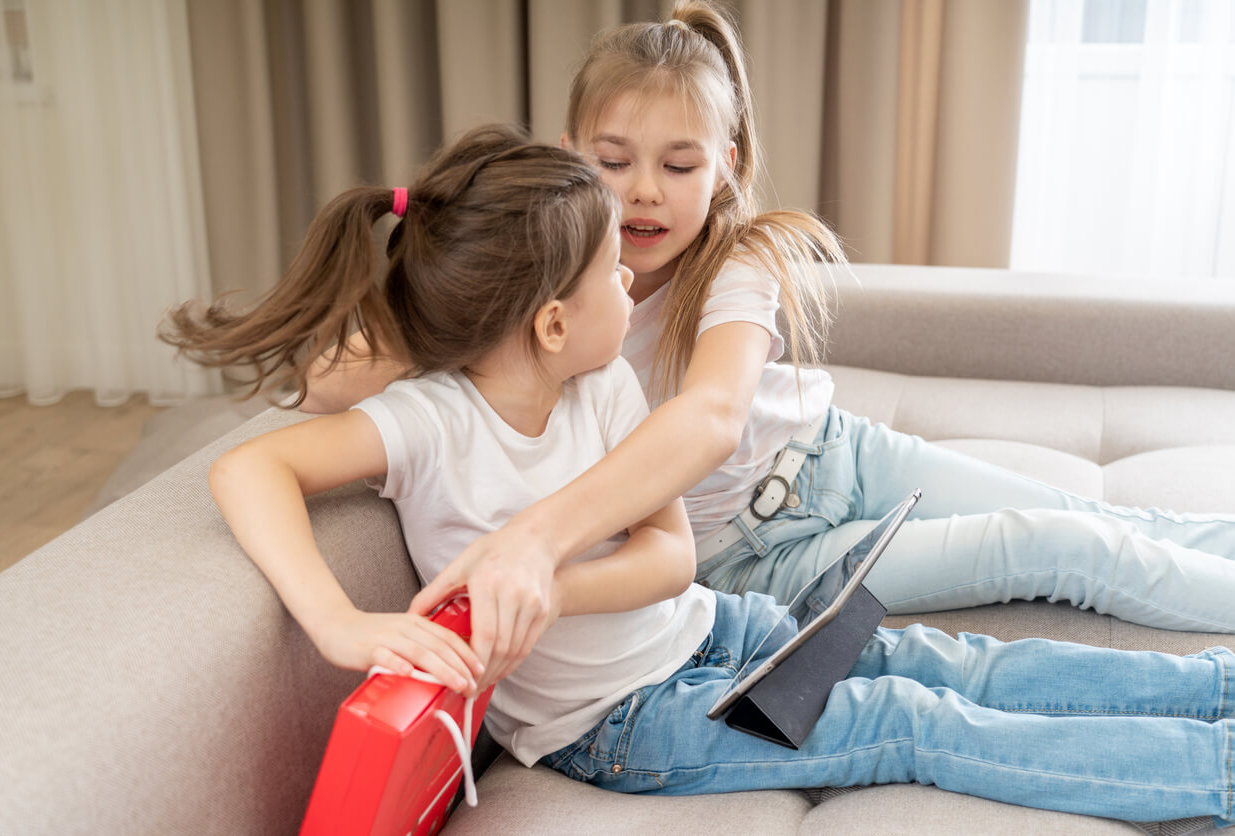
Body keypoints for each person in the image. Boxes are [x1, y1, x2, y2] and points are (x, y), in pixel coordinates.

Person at [164, 124, 1235, 826]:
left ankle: (1215, 692)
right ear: (548, 321)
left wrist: (548, 580)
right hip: (621, 728)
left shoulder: (607, 395)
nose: (631, 280)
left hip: (708, 630)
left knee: (935, 658)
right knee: (910, 718)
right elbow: (251, 468)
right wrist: (338, 626)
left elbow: (671, 558)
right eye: (608, 276)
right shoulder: (424, 425)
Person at [299, 0, 1235, 688]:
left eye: (679, 165)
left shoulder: (740, 256)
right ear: (568, 155)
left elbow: (711, 417)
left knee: (1115, 522)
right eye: (610, 164)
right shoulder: (541, 297)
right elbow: (324, 380)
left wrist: (538, 539)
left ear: (728, 165)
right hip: (756, 557)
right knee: (1058, 543)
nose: (642, 195)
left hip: (839, 457)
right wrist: (458, 305)